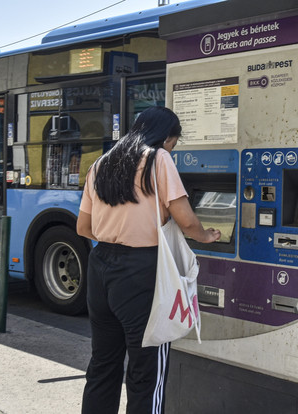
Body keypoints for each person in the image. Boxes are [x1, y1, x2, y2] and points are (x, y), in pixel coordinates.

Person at [76, 107, 221, 414]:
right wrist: (205, 235)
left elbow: (83, 228)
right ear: (166, 137)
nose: (172, 149)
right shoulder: (158, 158)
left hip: (100, 267)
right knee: (146, 372)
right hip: (141, 272)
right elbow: (185, 219)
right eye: (174, 142)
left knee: (103, 365)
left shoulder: (101, 164)